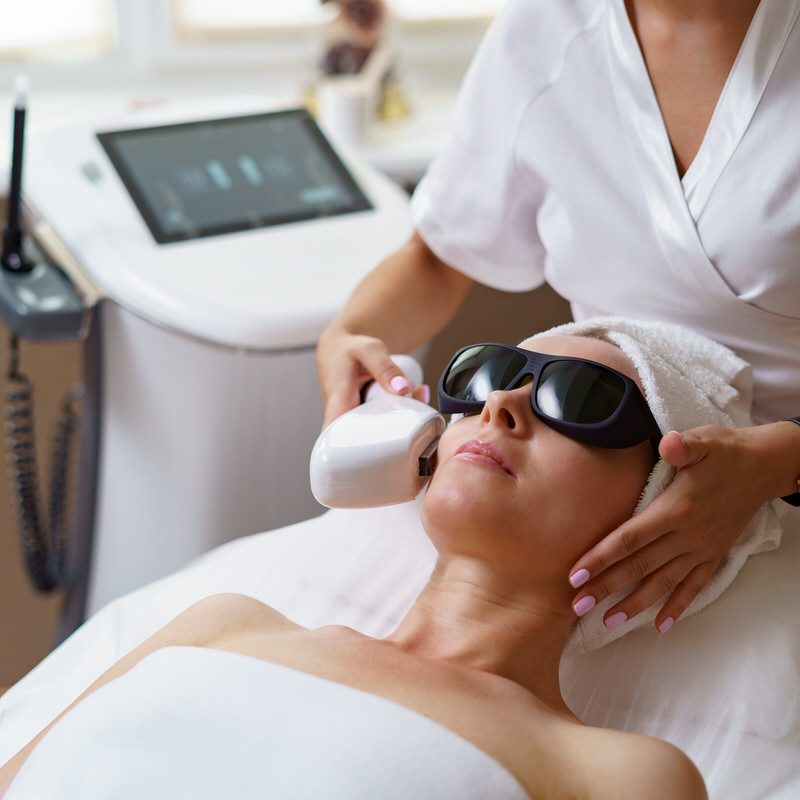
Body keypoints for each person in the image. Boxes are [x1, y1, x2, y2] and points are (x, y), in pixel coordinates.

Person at [0, 332, 708, 800]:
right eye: (485, 375)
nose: (502, 404)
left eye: (580, 399)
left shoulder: (617, 776)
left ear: (661, 503)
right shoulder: (224, 620)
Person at [316, 0, 800, 633]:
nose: (494, 408)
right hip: (594, 478)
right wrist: (349, 334)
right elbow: (438, 257)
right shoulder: (544, 27)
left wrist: (777, 462)